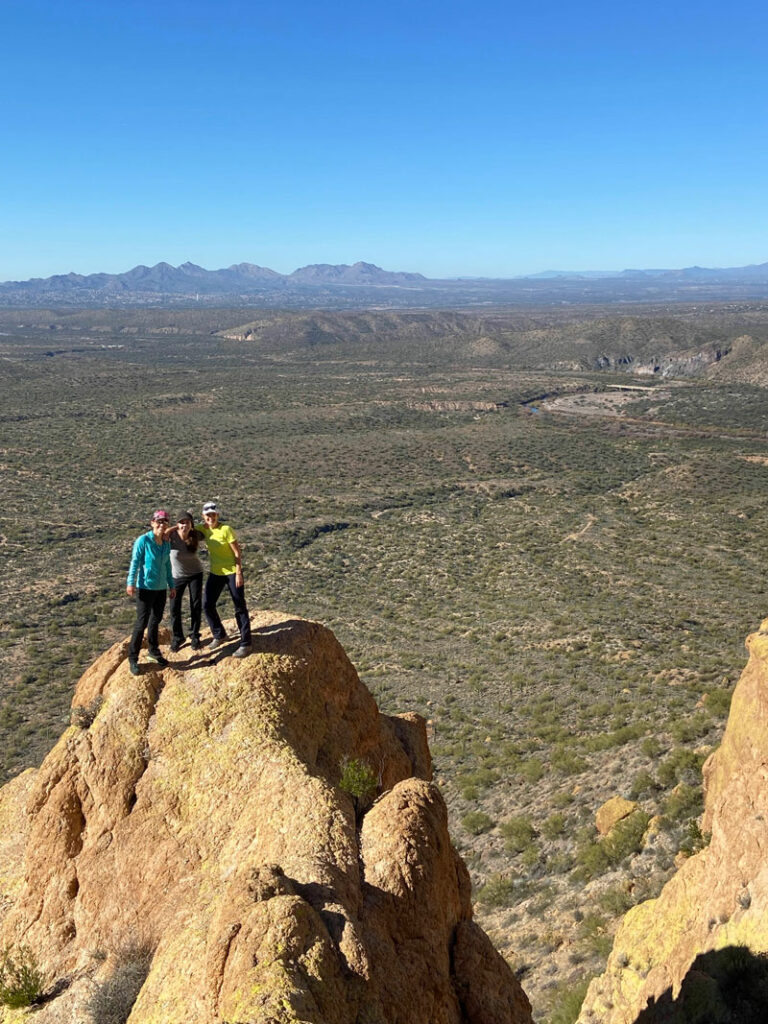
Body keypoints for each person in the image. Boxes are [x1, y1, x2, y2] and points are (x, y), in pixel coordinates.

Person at [197, 501, 252, 658]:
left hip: (232, 572)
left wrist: (239, 572)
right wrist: (167, 531)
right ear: (203, 516)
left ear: (217, 515)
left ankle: (246, 643)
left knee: (239, 605)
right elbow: (184, 526)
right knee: (207, 604)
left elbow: (237, 552)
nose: (211, 517)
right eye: (208, 515)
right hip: (216, 572)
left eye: (213, 514)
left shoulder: (226, 529)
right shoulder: (203, 529)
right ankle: (220, 635)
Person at [126, 510, 176, 675]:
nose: (162, 525)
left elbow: (168, 565)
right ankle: (133, 659)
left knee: (155, 620)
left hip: (160, 588)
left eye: (165, 522)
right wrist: (130, 582)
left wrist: (172, 585)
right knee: (141, 623)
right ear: (152, 523)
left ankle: (153, 651)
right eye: (159, 521)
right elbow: (135, 561)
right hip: (146, 587)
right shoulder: (143, 540)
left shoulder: (165, 543)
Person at [168, 512, 204, 652]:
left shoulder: (195, 535)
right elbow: (161, 533)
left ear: (192, 525)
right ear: (177, 524)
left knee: (195, 605)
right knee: (174, 607)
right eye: (181, 522)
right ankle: (178, 637)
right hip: (177, 577)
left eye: (187, 522)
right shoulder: (171, 536)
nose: (184, 525)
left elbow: (208, 531)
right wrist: (174, 528)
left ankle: (195, 635)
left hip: (196, 574)